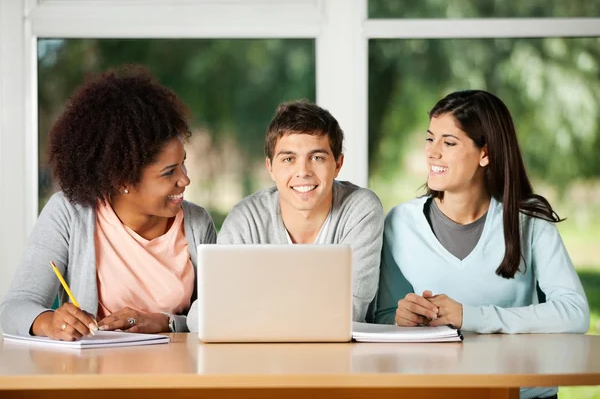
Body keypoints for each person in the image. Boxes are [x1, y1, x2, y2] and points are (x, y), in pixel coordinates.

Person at [375, 90, 589, 399]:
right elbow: (381, 318)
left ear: (485, 153)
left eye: (448, 143)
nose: (433, 152)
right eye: (430, 139)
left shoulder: (529, 222)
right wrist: (400, 317)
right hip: (434, 392)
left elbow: (574, 312)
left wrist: (470, 316)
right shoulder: (400, 223)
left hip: (522, 393)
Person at [0, 66, 216, 340]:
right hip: (95, 374)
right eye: (169, 172)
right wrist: (50, 322)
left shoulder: (197, 223)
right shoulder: (68, 214)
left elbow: (216, 313)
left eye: (182, 163)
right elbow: (14, 308)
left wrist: (167, 322)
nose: (185, 180)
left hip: (176, 374)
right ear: (121, 179)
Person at [187, 100, 384, 330]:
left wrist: (254, 306)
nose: (303, 172)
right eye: (288, 159)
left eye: (317, 158)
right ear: (270, 167)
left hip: (338, 359)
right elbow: (204, 315)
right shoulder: (247, 218)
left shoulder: (360, 210)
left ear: (338, 164)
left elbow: (349, 313)